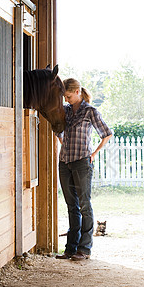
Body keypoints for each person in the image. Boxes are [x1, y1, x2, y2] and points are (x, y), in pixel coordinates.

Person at [56, 78, 112, 261]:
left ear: (78, 92)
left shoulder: (90, 111)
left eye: (69, 96)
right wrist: (63, 142)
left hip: (82, 162)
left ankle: (84, 249)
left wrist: (94, 153)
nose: (66, 99)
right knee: (72, 206)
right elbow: (58, 131)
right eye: (64, 96)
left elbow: (106, 133)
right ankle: (70, 249)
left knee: (85, 205)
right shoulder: (65, 111)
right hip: (64, 162)